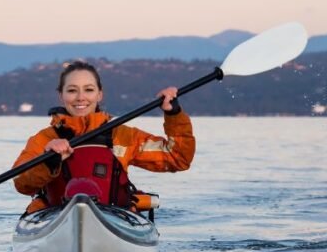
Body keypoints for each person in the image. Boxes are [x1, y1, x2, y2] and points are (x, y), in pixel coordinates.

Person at [12, 60, 195, 215]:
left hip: (113, 216)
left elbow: (178, 158)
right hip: (57, 218)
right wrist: (49, 160)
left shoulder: (123, 136)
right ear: (61, 96)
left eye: (89, 90)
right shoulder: (44, 140)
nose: (80, 97)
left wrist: (174, 114)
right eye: (72, 90)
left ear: (100, 94)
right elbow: (22, 184)